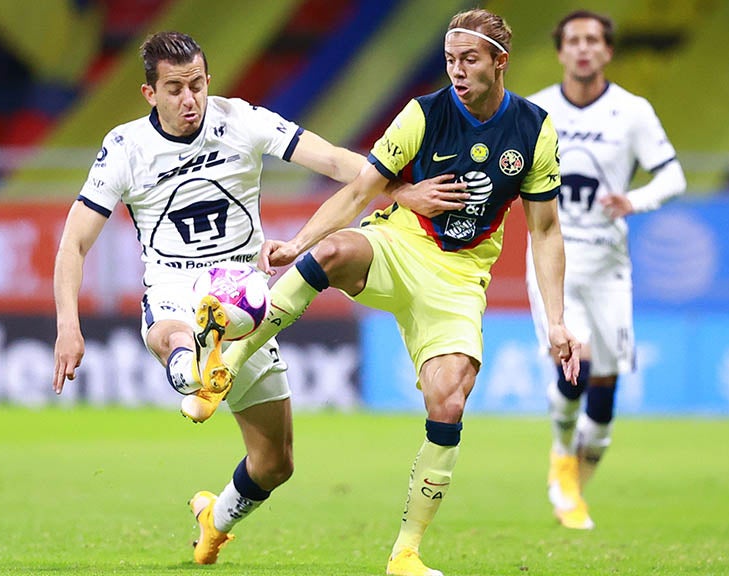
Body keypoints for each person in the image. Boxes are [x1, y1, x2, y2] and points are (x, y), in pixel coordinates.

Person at [192, 10, 581, 576]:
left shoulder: (534, 129)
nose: (458, 72)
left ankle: (405, 552)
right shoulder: (423, 115)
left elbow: (545, 231)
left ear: (500, 61)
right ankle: (225, 363)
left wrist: (558, 321)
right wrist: (299, 240)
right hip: (400, 243)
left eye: (469, 60)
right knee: (330, 253)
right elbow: (360, 192)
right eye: (450, 61)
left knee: (448, 400)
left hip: (459, 277)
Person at [51, 31, 460, 566]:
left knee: (275, 464)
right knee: (178, 337)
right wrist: (68, 325)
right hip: (174, 288)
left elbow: (338, 162)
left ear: (208, 81)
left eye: (196, 85)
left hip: (244, 297)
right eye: (174, 89)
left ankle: (213, 519)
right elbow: (74, 242)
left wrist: (401, 191)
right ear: (149, 93)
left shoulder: (241, 119)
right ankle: (193, 364)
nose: (189, 99)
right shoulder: (126, 147)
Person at [525, 10, 687, 530]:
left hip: (609, 266)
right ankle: (559, 452)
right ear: (560, 51)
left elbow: (673, 176)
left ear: (607, 51)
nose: (583, 49)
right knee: (579, 357)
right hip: (554, 262)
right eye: (573, 40)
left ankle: (571, 483)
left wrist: (635, 201)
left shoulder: (631, 112)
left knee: (605, 396)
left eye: (593, 40)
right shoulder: (539, 111)